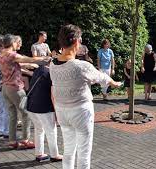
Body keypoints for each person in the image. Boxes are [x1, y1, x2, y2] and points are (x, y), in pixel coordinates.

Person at [49, 24, 121, 169]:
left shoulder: (52, 64)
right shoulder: (81, 66)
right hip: (81, 112)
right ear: (76, 41)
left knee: (68, 150)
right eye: (80, 40)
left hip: (62, 112)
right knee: (84, 153)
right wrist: (114, 83)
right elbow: (102, 77)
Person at [0, 34, 49, 149]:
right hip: (15, 88)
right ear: (12, 43)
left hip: (5, 88)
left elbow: (16, 64)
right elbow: (27, 58)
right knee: (26, 113)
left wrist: (28, 65)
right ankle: (25, 140)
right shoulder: (11, 54)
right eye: (16, 42)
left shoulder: (2, 54)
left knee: (13, 115)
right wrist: (43, 58)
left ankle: (12, 141)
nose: (18, 44)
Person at [26, 64, 63, 162]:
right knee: (51, 131)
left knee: (39, 129)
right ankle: (55, 155)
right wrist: (57, 113)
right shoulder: (52, 74)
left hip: (31, 105)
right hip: (44, 108)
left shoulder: (39, 70)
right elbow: (53, 95)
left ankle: (39, 154)